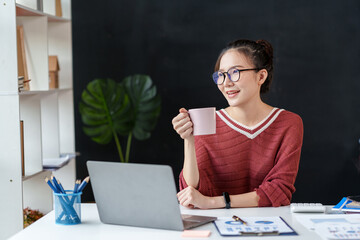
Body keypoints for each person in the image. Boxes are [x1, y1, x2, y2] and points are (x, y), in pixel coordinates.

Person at [172, 39, 303, 209]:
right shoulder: (208, 121)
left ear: (261, 76)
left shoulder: (289, 123)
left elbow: (279, 191)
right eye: (221, 75)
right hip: (215, 224)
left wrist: (216, 202)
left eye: (235, 72)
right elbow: (191, 192)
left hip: (269, 224)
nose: (226, 83)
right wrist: (189, 139)